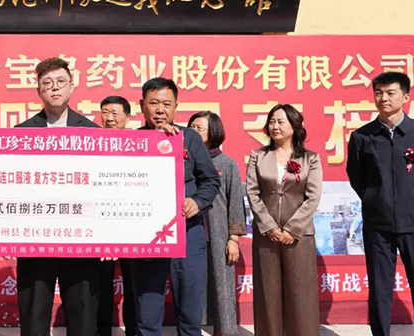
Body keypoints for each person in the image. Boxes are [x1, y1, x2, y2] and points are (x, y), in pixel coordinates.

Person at [347, 72, 414, 336]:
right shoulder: (362, 137)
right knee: (379, 289)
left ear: (405, 97)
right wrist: (375, 200)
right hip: (378, 226)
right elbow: (357, 177)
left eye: (390, 93)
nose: (383, 98)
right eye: (378, 93)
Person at [14, 57, 100, 336]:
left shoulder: (93, 133)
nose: (54, 88)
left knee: (83, 316)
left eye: (61, 81)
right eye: (47, 83)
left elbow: (104, 187)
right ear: (38, 90)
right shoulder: (20, 134)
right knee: (34, 315)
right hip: (35, 237)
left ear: (71, 86)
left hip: (81, 237)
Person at [133, 77, 220, 336]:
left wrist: (197, 202)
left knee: (190, 312)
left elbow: (210, 180)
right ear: (141, 105)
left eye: (167, 104)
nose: (160, 110)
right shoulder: (132, 141)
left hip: (188, 233)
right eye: (154, 103)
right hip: (148, 236)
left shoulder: (189, 138)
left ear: (175, 107)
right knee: (148, 314)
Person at [246, 103, 322, 336]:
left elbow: (313, 196)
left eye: (280, 121)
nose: (275, 126)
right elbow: (252, 193)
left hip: (299, 236)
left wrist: (292, 229)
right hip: (266, 235)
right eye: (271, 122)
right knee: (268, 293)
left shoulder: (310, 158)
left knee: (301, 293)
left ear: (294, 126)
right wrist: (269, 226)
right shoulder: (258, 156)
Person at [188, 111, 246, 336]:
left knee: (223, 288)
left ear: (213, 132)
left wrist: (234, 238)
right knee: (193, 287)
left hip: (219, 235)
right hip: (192, 233)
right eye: (191, 126)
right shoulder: (185, 162)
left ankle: (227, 331)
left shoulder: (226, 164)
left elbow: (235, 202)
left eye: (199, 127)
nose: (193, 131)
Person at [97, 95, 137, 336]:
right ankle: (102, 330)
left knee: (134, 284)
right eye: (105, 112)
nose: (109, 118)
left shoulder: (139, 144)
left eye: (115, 113)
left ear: (128, 117)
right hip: (101, 225)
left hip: (132, 223)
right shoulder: (92, 144)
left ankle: (134, 330)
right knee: (101, 283)